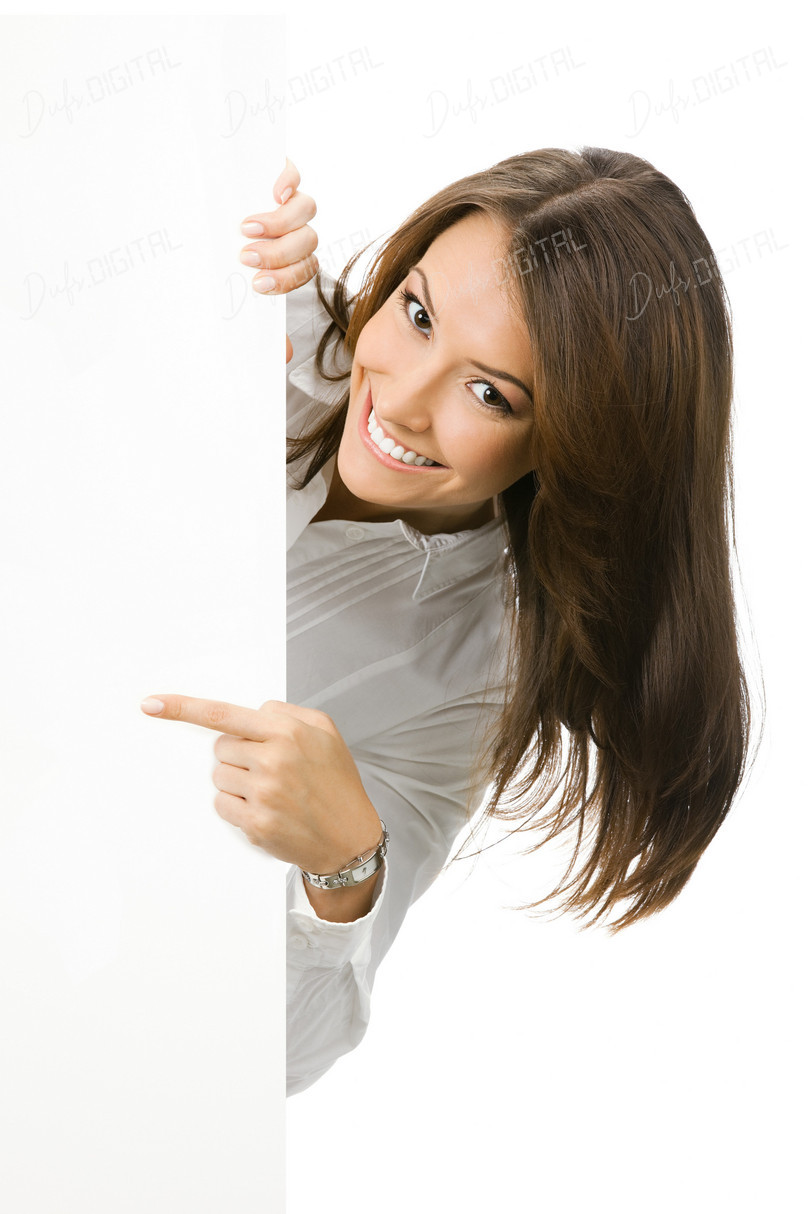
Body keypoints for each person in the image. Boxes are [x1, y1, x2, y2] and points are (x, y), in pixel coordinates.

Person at [143, 147, 760, 1098]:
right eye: (418, 314)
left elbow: (272, 1061)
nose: (401, 399)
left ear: (574, 445)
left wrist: (344, 870)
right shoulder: (268, 324)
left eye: (490, 393)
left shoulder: (468, 669)